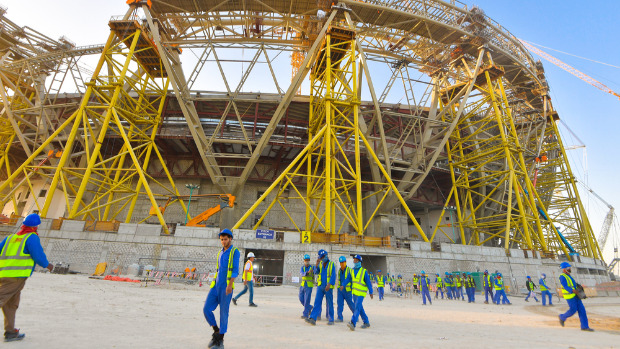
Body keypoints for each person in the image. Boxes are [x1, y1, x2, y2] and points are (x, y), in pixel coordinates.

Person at [0, 213, 53, 342]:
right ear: (36, 226)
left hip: (4, 274)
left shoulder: (10, 238)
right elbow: (38, 256)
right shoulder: (31, 237)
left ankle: (11, 332)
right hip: (16, 276)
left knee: (11, 304)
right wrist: (48, 265)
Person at [205, 229, 240, 348]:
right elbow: (218, 270)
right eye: (221, 240)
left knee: (223, 313)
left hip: (226, 287)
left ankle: (220, 341)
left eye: (225, 239)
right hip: (216, 286)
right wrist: (214, 284)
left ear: (230, 239)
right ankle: (216, 331)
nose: (223, 242)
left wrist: (230, 285)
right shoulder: (220, 252)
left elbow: (235, 270)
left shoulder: (234, 251)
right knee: (206, 309)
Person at [558, 262, 593, 331]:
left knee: (582, 310)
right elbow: (565, 286)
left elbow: (573, 284)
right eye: (568, 268)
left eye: (569, 268)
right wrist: (572, 290)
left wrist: (579, 285)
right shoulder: (562, 276)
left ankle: (584, 326)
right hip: (570, 296)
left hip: (576, 295)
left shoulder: (569, 276)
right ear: (564, 269)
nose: (570, 269)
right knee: (573, 310)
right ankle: (562, 317)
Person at [306, 249, 336, 325]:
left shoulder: (332, 264)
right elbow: (316, 272)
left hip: (328, 287)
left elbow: (333, 275)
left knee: (329, 303)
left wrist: (329, 284)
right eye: (322, 257)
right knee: (317, 302)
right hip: (320, 286)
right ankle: (313, 318)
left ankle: (331, 319)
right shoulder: (320, 264)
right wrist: (316, 264)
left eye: (324, 256)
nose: (324, 257)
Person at [347, 255, 373, 331]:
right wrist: (342, 285)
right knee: (359, 308)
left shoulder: (364, 271)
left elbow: (368, 283)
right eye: (354, 260)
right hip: (354, 293)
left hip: (361, 293)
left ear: (360, 262)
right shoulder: (352, 270)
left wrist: (371, 292)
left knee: (357, 307)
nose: (354, 262)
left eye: (356, 260)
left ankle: (353, 323)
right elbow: (348, 279)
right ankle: (366, 322)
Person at [336, 256, 354, 322]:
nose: (342, 264)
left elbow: (352, 280)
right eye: (341, 263)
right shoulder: (339, 271)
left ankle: (355, 316)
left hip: (348, 290)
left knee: (350, 304)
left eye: (343, 262)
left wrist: (352, 287)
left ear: (345, 262)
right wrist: (338, 288)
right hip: (340, 290)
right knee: (339, 304)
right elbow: (339, 280)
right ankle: (339, 317)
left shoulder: (349, 270)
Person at [299, 254, 314, 319]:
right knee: (301, 298)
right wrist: (307, 273)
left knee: (307, 300)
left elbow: (316, 272)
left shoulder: (312, 268)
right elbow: (302, 273)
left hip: (309, 286)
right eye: (306, 260)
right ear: (304, 261)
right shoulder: (302, 267)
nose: (307, 261)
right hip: (302, 285)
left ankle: (305, 314)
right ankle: (309, 307)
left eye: (308, 260)